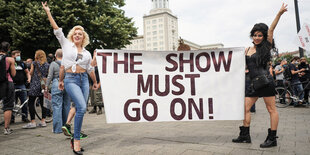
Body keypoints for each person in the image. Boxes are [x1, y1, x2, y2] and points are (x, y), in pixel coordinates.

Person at [42, 2, 99, 154]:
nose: (77, 35)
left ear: (83, 37)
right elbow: (56, 29)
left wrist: (95, 82)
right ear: (72, 36)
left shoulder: (87, 53)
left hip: (84, 80)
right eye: (75, 33)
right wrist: (48, 11)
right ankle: (76, 140)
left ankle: (75, 136)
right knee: (80, 107)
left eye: (80, 33)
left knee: (82, 109)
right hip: (71, 79)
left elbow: (90, 68)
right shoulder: (66, 44)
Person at [232, 3, 287, 148]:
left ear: (263, 36)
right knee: (245, 108)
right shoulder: (247, 49)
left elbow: (272, 29)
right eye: (255, 35)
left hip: (266, 82)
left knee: (271, 109)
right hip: (253, 84)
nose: (257, 37)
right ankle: (245, 135)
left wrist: (279, 14)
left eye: (259, 35)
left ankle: (272, 138)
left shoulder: (266, 46)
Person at [45, 49, 71, 133]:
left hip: (57, 84)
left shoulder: (53, 63)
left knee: (57, 106)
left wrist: (46, 86)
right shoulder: (68, 63)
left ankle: (57, 129)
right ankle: (66, 126)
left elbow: (50, 76)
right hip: (67, 84)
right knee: (66, 106)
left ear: (55, 55)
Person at [23, 50, 49, 129]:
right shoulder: (47, 64)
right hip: (43, 85)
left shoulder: (34, 63)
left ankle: (33, 122)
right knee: (43, 103)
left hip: (34, 84)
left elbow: (30, 73)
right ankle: (43, 121)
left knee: (31, 103)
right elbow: (47, 74)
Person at [10, 50, 31, 123]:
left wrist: (29, 78)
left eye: (19, 55)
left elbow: (27, 72)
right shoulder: (10, 63)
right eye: (17, 55)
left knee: (24, 102)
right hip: (13, 85)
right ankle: (11, 118)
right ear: (13, 56)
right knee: (12, 103)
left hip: (22, 85)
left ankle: (24, 117)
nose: (19, 56)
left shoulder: (22, 63)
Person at [0, 41, 16, 135]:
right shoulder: (10, 59)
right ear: (8, 49)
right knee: (8, 106)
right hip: (7, 83)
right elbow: (13, 74)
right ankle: (6, 128)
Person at [88, 50, 104, 115]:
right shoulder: (92, 64)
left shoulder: (100, 64)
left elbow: (102, 75)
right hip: (92, 83)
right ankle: (94, 108)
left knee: (98, 95)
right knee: (92, 96)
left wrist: (99, 83)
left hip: (98, 82)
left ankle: (100, 109)